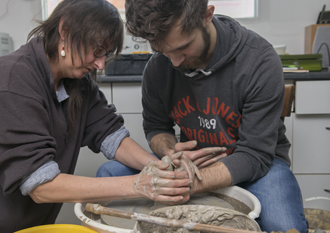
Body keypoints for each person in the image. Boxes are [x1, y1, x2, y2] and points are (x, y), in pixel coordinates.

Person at [0, 0, 198, 232]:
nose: (101, 64)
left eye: (105, 54)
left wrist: (160, 168)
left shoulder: (76, 82)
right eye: (96, 51)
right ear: (65, 31)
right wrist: (138, 185)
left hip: (35, 223)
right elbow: (40, 184)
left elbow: (110, 135)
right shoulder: (11, 81)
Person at [97, 0, 309, 232]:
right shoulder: (158, 67)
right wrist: (168, 151)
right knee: (108, 174)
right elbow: (157, 128)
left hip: (256, 166)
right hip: (189, 166)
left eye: (182, 48)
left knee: (284, 226)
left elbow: (254, 154)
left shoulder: (259, 60)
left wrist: (186, 183)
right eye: (163, 51)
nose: (175, 62)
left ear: (206, 16)